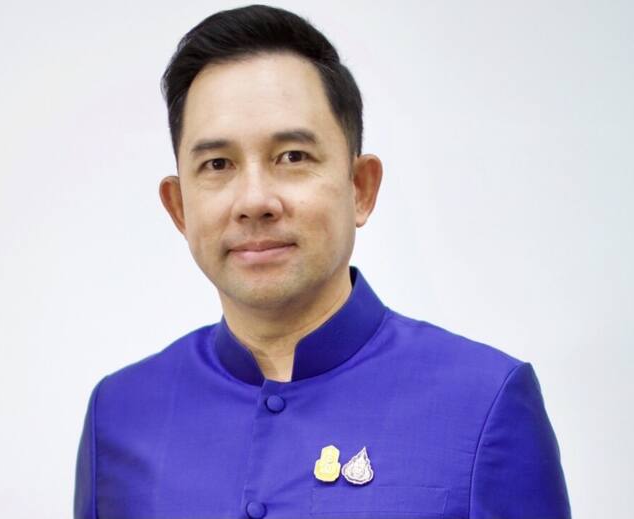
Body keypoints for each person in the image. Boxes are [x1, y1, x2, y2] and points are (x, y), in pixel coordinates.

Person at [74, 5, 571, 518]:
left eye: (292, 157)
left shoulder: (483, 401)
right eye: (217, 164)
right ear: (179, 207)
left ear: (360, 188)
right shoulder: (121, 415)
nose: (255, 200)